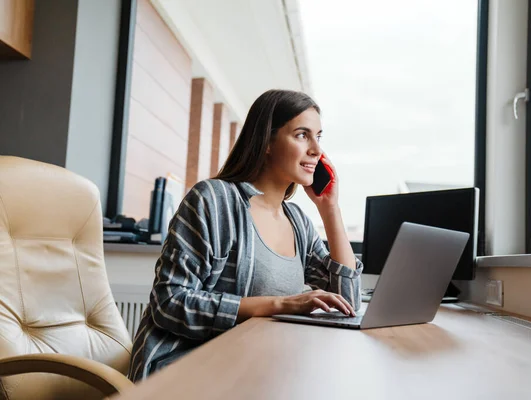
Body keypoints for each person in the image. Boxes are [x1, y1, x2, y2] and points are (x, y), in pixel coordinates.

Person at [128, 89, 363, 382]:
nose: (317, 150)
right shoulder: (213, 199)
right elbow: (170, 302)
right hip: (189, 370)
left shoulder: (298, 222)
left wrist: (330, 210)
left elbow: (347, 304)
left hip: (259, 368)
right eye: (302, 135)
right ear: (267, 141)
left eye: (319, 136)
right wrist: (279, 305)